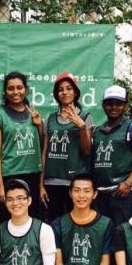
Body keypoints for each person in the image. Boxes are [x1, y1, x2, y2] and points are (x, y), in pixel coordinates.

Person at [39, 73, 94, 222]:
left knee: (75, 223)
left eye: (69, 88)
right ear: (56, 94)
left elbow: (87, 151)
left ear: (75, 92)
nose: (65, 92)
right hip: (51, 183)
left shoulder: (85, 116)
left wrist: (81, 126)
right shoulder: (49, 118)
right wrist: (41, 185)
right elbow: (44, 153)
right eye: (61, 89)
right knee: (53, 223)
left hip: (74, 184)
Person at [91, 85, 132, 226]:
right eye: (110, 103)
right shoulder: (97, 131)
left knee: (120, 233)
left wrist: (129, 183)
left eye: (118, 103)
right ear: (104, 105)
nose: (114, 107)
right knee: (103, 233)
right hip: (100, 193)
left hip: (122, 192)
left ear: (126, 106)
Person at [0, 71, 44, 220]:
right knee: (11, 219)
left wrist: (39, 126)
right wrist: (0, 185)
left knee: (31, 218)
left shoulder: (33, 113)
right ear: (5, 92)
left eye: (19, 88)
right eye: (11, 88)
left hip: (33, 173)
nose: (16, 92)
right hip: (10, 175)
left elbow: (40, 146)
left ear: (26, 90)